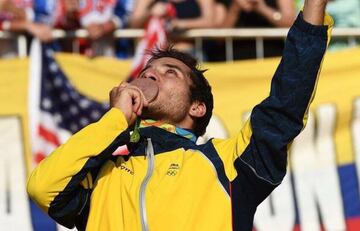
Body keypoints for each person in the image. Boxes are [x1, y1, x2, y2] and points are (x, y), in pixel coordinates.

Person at [27, 0, 333, 230]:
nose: (152, 76)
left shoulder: (227, 162)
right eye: (147, 72)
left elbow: (286, 101)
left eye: (169, 72)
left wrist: (315, 6)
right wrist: (115, 121)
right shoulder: (103, 168)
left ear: (196, 108)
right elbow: (44, 187)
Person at [218, 0, 296, 60]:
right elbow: (218, 38)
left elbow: (290, 23)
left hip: (271, 58)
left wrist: (262, 8)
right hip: (231, 61)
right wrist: (235, 9)